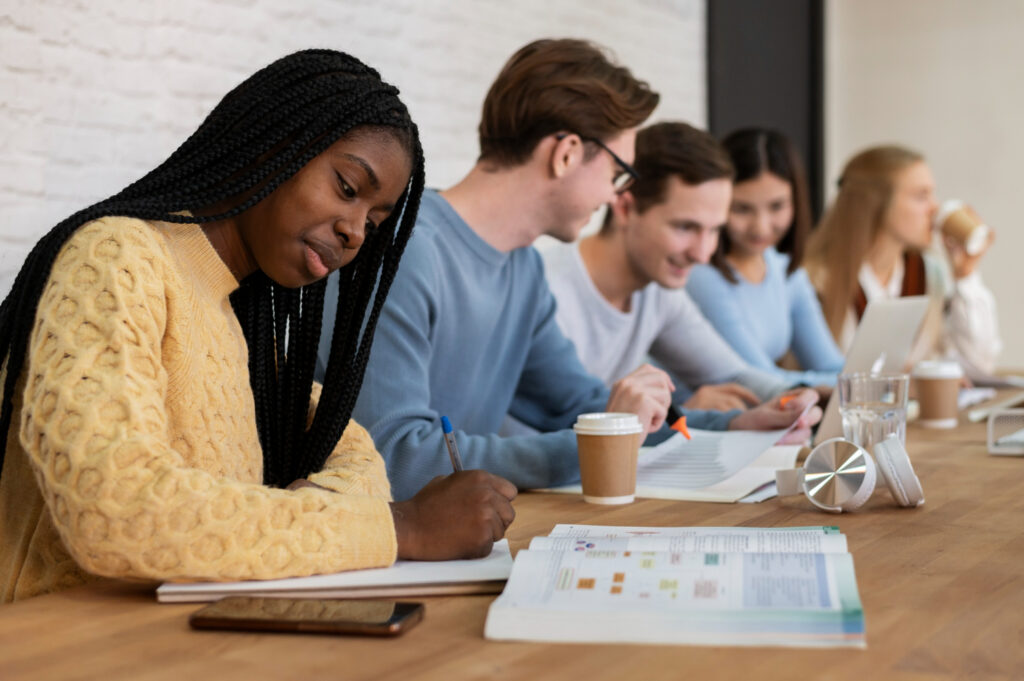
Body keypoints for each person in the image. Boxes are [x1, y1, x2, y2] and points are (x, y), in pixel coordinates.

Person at [0, 50, 516, 603]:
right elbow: (114, 509)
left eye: (373, 219)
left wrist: (294, 516)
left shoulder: (246, 316)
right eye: (347, 187)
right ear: (277, 144)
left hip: (190, 639)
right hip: (57, 646)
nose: (355, 232)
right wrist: (404, 528)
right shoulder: (116, 259)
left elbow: (357, 458)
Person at [329, 39, 821, 502]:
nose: (615, 195)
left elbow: (582, 405)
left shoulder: (523, 270)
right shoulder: (406, 251)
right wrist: (603, 442)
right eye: (617, 173)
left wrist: (734, 425)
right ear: (565, 154)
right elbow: (395, 457)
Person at [543, 121, 798, 414]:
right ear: (625, 209)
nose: (703, 255)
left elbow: (731, 375)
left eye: (714, 230)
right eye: (686, 227)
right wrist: (681, 411)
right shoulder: (551, 292)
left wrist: (806, 397)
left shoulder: (656, 290)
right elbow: (566, 421)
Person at [802, 145, 1001, 377]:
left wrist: (965, 275)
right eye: (921, 196)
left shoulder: (928, 272)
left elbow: (978, 365)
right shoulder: (816, 279)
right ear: (876, 202)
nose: (935, 207)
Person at [685, 128, 844, 388]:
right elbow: (760, 380)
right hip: (703, 423)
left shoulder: (785, 270)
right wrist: (854, 385)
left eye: (777, 206)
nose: (760, 227)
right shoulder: (702, 276)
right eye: (742, 208)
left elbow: (830, 364)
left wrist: (863, 382)